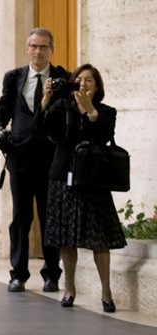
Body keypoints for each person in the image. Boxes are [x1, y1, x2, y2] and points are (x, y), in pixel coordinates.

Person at [35, 63, 127, 312]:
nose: (83, 84)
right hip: (63, 178)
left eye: (89, 81)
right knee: (66, 239)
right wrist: (45, 99)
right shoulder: (61, 107)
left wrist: (92, 114)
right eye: (80, 79)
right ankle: (69, 288)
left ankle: (106, 293)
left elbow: (103, 138)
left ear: (97, 87)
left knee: (99, 239)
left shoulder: (106, 111)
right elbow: (41, 128)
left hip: (93, 181)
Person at [0, 27, 69, 293]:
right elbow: (3, 109)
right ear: (27, 48)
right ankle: (18, 274)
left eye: (43, 47)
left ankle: (51, 274)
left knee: (50, 218)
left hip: (52, 159)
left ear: (51, 50)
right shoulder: (14, 78)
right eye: (33, 46)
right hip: (20, 157)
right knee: (20, 219)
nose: (37, 52)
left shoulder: (62, 78)